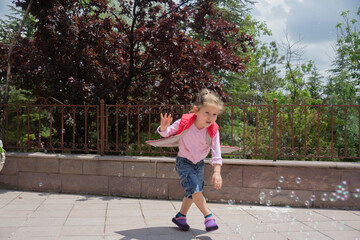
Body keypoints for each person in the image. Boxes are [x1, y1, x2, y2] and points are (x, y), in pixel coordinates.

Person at [147, 89, 233, 232]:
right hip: (184, 162)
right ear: (196, 110)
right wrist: (163, 127)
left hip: (199, 164)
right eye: (207, 113)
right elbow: (167, 133)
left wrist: (217, 172)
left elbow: (217, 153)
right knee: (196, 190)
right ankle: (209, 217)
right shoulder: (185, 122)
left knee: (192, 193)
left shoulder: (213, 131)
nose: (210, 117)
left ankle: (180, 216)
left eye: (214, 114)